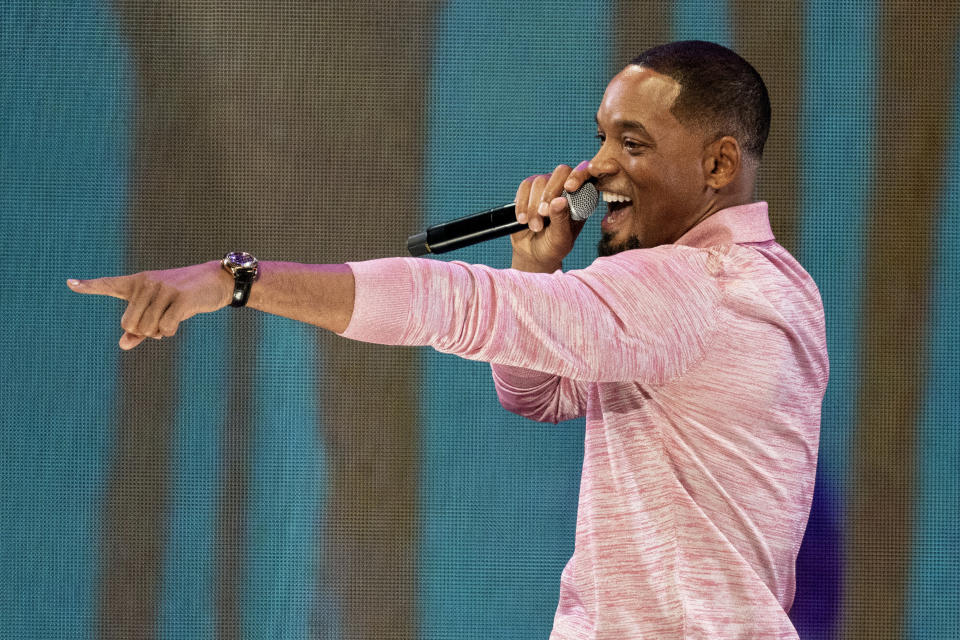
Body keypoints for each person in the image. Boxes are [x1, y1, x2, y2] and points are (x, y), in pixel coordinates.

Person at [68, 40, 828, 639]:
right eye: (600, 137)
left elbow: (457, 303)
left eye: (631, 142)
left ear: (719, 164)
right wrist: (538, 271)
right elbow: (541, 395)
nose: (596, 167)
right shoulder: (767, 284)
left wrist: (236, 279)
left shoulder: (699, 288)